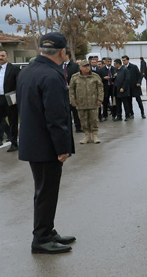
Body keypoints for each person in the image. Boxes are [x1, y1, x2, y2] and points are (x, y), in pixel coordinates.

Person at [17, 32, 75, 254]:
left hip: (33, 141)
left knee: (44, 190)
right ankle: (41, 238)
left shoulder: (28, 71)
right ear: (62, 52)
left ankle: (47, 230)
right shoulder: (52, 76)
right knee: (47, 191)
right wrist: (62, 148)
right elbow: (56, 116)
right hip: (47, 145)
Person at [69, 60, 104, 144]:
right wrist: (72, 100)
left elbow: (100, 88)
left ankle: (94, 136)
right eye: (84, 66)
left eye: (88, 66)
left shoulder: (95, 76)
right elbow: (71, 90)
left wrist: (100, 99)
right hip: (81, 103)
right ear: (80, 68)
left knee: (94, 120)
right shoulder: (75, 77)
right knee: (83, 121)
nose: (87, 68)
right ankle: (87, 136)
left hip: (93, 103)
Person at [62, 51, 82, 133]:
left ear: (67, 56)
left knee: (75, 110)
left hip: (73, 91)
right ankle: (67, 127)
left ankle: (78, 127)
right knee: (65, 111)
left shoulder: (74, 66)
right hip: (62, 91)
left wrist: (71, 86)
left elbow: (78, 78)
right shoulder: (59, 66)